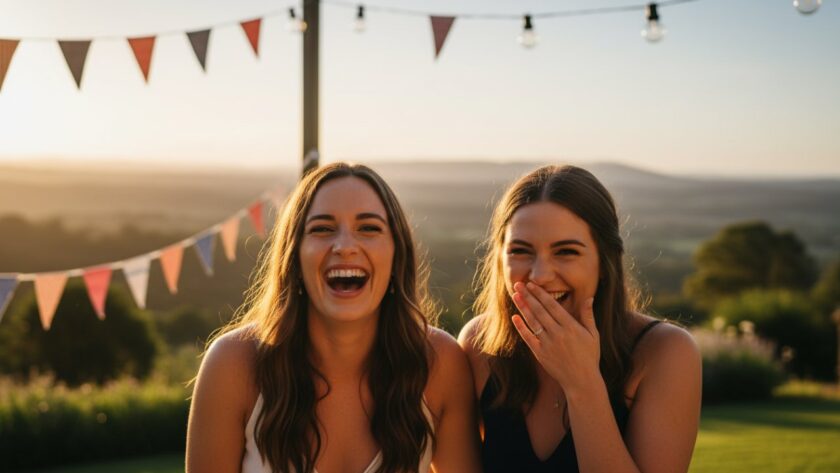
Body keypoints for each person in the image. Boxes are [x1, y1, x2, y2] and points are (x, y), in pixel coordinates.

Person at [187, 162, 480, 473]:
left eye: (369, 228)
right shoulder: (234, 363)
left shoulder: (439, 363)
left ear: (397, 255)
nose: (344, 247)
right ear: (294, 257)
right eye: (322, 229)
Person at [458, 164, 701, 472]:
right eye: (520, 251)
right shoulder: (479, 345)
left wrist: (582, 383)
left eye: (566, 252)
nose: (540, 276)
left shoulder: (665, 352)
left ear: (605, 261)